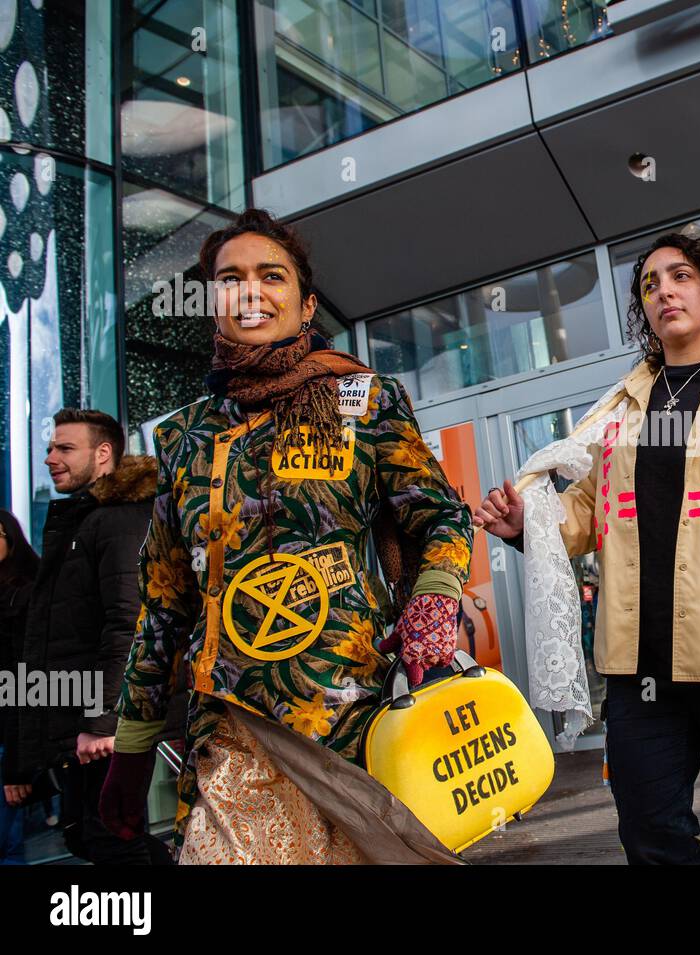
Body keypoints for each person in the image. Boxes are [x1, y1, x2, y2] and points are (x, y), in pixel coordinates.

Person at [99, 208, 474, 864]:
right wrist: (130, 751)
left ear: (305, 307)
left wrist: (435, 598)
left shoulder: (363, 401)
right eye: (230, 278)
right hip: (231, 742)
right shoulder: (183, 440)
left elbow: (441, 517)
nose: (251, 290)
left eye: (271, 275)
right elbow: (163, 608)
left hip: (356, 732)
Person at [475, 232, 700, 865]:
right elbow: (585, 516)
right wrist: (525, 525)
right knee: (652, 839)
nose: (664, 290)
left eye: (680, 276)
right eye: (649, 285)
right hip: (640, 674)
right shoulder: (625, 409)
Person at [6, 411, 174, 864]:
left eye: (64, 449)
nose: (49, 459)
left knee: (111, 837)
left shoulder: (119, 519)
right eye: (49, 448)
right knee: (87, 836)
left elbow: (129, 622)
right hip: (76, 715)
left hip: (104, 720)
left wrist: (103, 721)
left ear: (103, 454)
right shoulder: (82, 520)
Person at [1, 510, 39, 863]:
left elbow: (24, 683)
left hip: (8, 738)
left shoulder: (22, 595)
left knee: (7, 847)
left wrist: (17, 767)